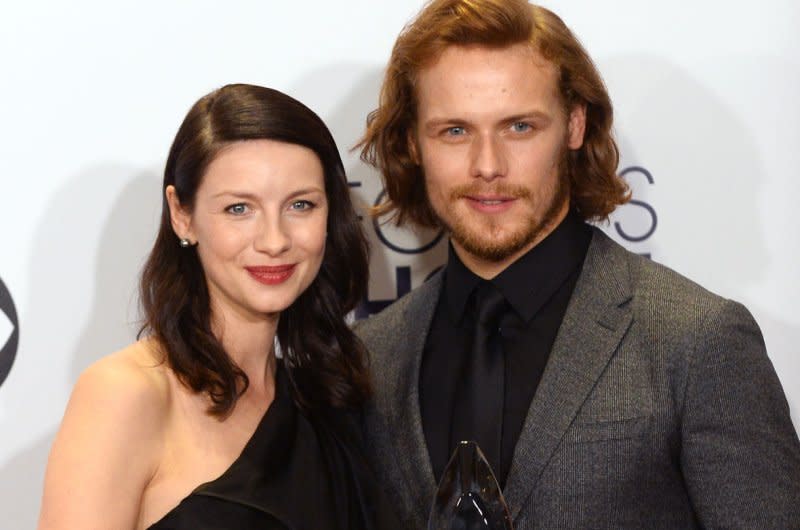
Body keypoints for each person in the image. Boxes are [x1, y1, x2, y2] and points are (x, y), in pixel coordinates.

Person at [354, 1, 800, 528]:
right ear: (412, 142)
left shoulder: (696, 340)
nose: (487, 166)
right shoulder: (372, 357)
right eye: (455, 131)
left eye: (519, 126)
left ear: (574, 125)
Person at [39, 84, 400, 530]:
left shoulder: (328, 400)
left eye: (301, 205)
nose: (275, 240)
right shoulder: (126, 395)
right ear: (182, 215)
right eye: (239, 209)